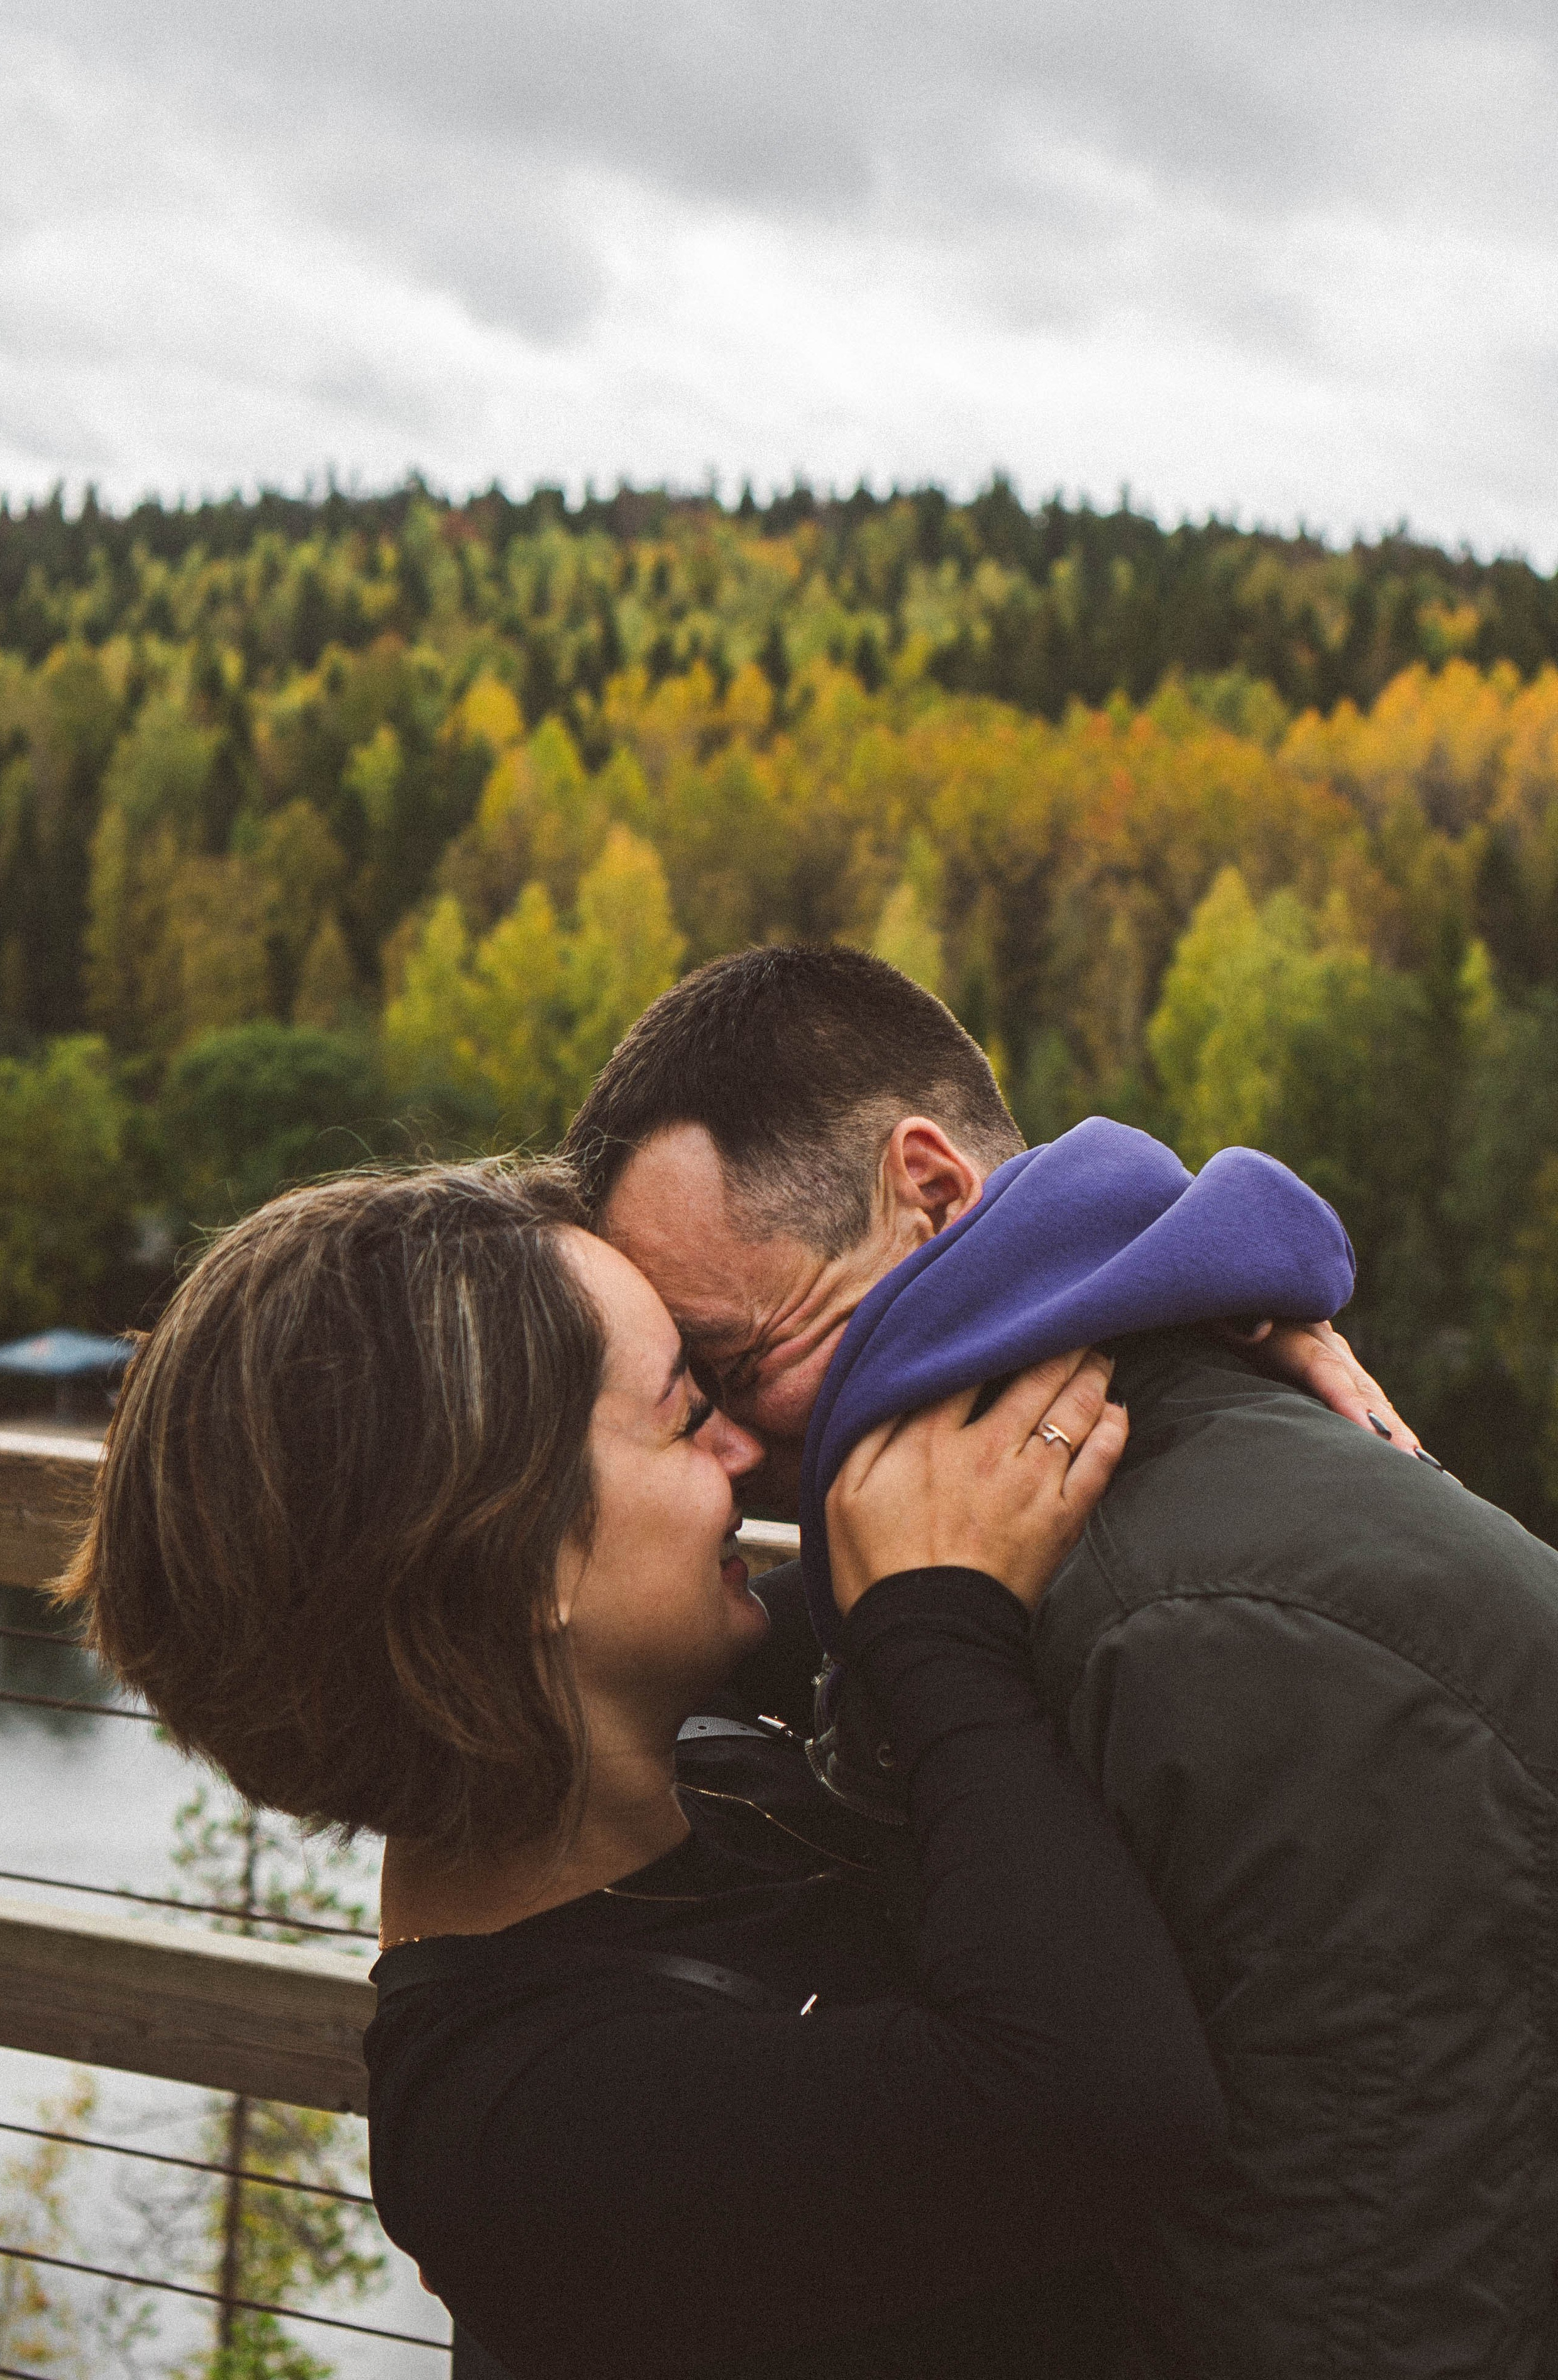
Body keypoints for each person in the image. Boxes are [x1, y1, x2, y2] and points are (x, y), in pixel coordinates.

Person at [565, 942, 1558, 2379]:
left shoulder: (1210, 1623)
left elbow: (1353, 2299)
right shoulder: (1015, 1529)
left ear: (928, 1189)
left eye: (730, 1361)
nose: (722, 1447)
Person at [57, 1163, 1225, 2380]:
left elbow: (918, 1544)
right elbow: (1105, 2103)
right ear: (515, 1567)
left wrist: (1207, 1377)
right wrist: (937, 1627)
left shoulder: (672, 1748)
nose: (741, 1448)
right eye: (683, 1416)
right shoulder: (526, 2134)